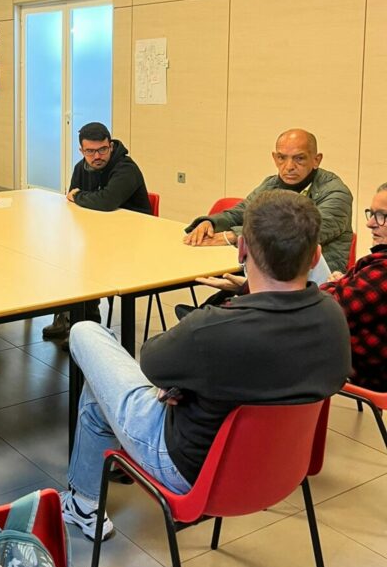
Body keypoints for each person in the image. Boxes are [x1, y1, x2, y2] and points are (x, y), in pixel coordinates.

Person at [61, 191, 351, 542]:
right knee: (100, 392)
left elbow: (150, 364)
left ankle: (84, 502)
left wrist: (179, 384)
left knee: (86, 333)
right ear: (316, 254)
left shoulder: (215, 329)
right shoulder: (333, 318)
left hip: (186, 468)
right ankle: (83, 502)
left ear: (242, 249)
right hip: (280, 470)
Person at [183, 129, 353, 272]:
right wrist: (211, 223)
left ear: (316, 160)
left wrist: (235, 235)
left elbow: (296, 235)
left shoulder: (336, 193)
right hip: (271, 271)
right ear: (274, 158)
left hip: (316, 280)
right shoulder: (272, 183)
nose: (289, 166)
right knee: (221, 297)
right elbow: (242, 212)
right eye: (282, 158)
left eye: (299, 158)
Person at [43, 121, 151, 343]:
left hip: (130, 242)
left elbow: (106, 201)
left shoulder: (126, 168)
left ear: (110, 145)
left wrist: (80, 196)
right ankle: (67, 316)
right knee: (62, 256)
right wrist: (79, 198)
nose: (97, 156)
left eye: (102, 149)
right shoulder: (81, 168)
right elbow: (73, 203)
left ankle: (87, 328)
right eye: (90, 151)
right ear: (81, 150)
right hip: (97, 235)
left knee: (86, 263)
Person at [320, 183, 387, 392]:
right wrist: (342, 284)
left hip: (365, 374)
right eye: (372, 213)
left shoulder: (383, 269)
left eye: (382, 216)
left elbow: (328, 309)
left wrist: (336, 284)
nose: (370, 223)